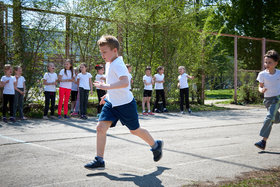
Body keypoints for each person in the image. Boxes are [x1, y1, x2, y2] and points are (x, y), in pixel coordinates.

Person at [84, 35, 163, 170]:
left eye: (104, 52)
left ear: (115, 50)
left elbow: (125, 82)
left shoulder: (118, 64)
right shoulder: (109, 63)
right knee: (100, 128)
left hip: (126, 104)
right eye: (101, 52)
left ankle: (155, 145)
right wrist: (108, 95)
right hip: (112, 103)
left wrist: (106, 87)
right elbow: (115, 83)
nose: (102, 55)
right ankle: (99, 159)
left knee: (135, 130)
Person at [255, 50, 280, 150]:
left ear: (275, 63)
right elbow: (260, 87)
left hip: (277, 98)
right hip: (267, 100)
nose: (267, 64)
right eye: (266, 62)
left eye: (270, 62)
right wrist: (262, 90)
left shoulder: (279, 73)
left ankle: (263, 141)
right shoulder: (262, 74)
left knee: (269, 118)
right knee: (275, 119)